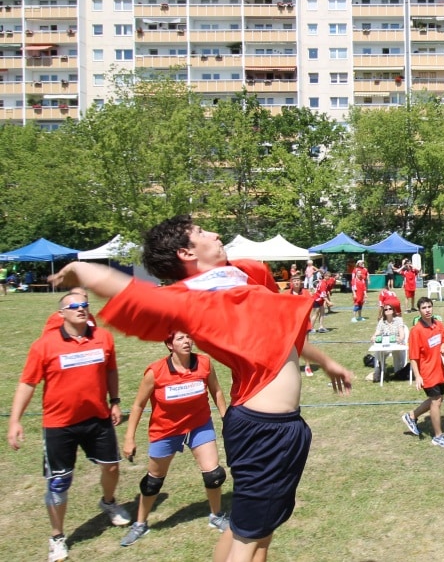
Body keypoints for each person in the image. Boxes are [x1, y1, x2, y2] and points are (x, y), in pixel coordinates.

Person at [46, 215, 353, 562]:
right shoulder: (192, 300)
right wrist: (79, 268)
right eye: (202, 232)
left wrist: (326, 361)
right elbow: (126, 289)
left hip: (275, 428)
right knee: (248, 539)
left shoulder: (240, 280)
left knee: (254, 532)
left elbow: (281, 336)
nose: (216, 233)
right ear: (186, 252)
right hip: (266, 431)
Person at [7, 291, 132, 562]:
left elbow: (111, 370)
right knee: (59, 482)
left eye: (84, 304)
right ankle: (57, 537)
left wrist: (115, 401)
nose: (81, 308)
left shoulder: (103, 338)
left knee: (111, 467)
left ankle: (108, 502)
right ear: (61, 313)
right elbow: (27, 383)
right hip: (59, 425)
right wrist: (15, 420)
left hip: (97, 419)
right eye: (74, 306)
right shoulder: (44, 346)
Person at [119, 331, 230, 547]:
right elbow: (138, 405)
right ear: (170, 345)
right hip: (166, 430)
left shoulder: (204, 363)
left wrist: (226, 418)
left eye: (188, 337)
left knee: (214, 475)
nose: (187, 341)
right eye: (180, 339)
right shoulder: (155, 372)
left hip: (199, 425)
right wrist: (129, 438)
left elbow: (216, 391)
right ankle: (140, 524)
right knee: (153, 482)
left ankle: (216, 516)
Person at [401, 297, 444, 447]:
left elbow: (443, 340)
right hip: (427, 372)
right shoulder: (416, 331)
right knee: (436, 401)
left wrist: (443, 348)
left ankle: (411, 416)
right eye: (424, 308)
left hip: (438, 369)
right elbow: (413, 357)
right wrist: (418, 376)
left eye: (429, 307)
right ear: (419, 310)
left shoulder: (438, 325)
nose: (427, 310)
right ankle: (438, 436)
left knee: (438, 398)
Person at [370, 304, 408, 379]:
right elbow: (377, 332)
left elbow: (402, 334)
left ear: (393, 310)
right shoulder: (382, 321)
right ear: (384, 312)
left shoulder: (398, 320)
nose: (388, 310)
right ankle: (380, 371)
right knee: (378, 352)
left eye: (390, 309)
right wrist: (373, 337)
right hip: (386, 344)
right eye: (386, 309)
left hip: (396, 344)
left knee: (396, 352)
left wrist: (400, 339)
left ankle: (398, 372)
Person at [287, 276, 314, 375]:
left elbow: (310, 305)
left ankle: (307, 366)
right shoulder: (287, 294)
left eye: (298, 280)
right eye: (294, 281)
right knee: (291, 346)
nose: (296, 282)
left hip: (304, 323)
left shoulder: (306, 293)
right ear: (291, 283)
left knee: (305, 345)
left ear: (301, 282)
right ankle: (293, 366)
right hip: (292, 324)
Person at [351, 259, 369, 323]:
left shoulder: (362, 280)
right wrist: (354, 294)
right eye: (358, 273)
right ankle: (354, 317)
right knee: (356, 305)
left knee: (361, 305)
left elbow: (364, 288)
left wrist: (365, 294)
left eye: (360, 273)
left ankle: (360, 316)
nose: (360, 274)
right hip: (357, 294)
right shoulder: (354, 280)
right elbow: (353, 288)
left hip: (362, 295)